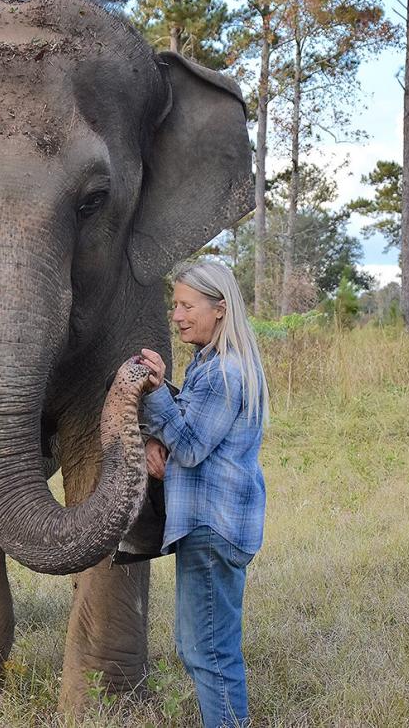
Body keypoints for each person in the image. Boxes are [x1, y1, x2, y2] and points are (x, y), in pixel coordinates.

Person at [137, 260, 269, 728]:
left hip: (211, 527)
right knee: (202, 646)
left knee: (208, 651)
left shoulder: (220, 373)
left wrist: (152, 393)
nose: (177, 315)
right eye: (176, 305)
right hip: (217, 525)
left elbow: (189, 447)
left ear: (220, 309)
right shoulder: (215, 365)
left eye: (188, 305)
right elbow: (190, 428)